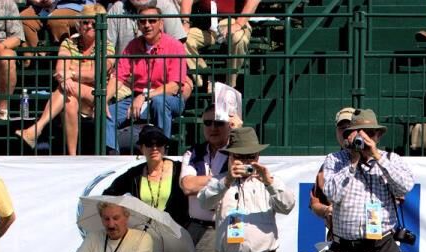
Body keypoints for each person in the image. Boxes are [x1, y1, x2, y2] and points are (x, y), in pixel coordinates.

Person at [321, 109, 416, 252]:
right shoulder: (335, 160)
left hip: (382, 245)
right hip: (345, 247)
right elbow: (331, 193)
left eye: (369, 133)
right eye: (357, 133)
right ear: (348, 136)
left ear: (378, 136)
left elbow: (405, 186)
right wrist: (353, 163)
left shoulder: (391, 159)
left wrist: (375, 155)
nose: (363, 138)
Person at [16, 3, 114, 155]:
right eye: (85, 22)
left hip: (97, 96)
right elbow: (60, 70)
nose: (88, 26)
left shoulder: (107, 46)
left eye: (93, 24)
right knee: (69, 102)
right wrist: (66, 77)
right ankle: (72, 155)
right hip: (73, 94)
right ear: (79, 24)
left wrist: (70, 74)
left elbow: (95, 74)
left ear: (101, 26)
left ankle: (37, 128)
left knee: (65, 90)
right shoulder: (69, 42)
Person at [106, 3, 189, 154]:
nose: (147, 25)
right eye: (143, 21)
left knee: (159, 102)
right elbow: (118, 77)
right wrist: (103, 100)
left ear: (161, 23)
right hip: (137, 97)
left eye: (152, 21)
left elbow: (174, 86)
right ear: (138, 25)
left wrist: (145, 96)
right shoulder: (133, 46)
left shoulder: (175, 46)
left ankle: (161, 153)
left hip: (169, 98)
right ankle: (112, 158)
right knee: (107, 114)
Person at [182, 106, 241, 252]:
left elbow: (241, 175)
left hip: (231, 225)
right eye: (208, 123)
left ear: (229, 125)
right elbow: (187, 185)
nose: (213, 127)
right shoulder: (194, 152)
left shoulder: (238, 152)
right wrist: (226, 178)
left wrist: (238, 132)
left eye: (219, 123)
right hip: (200, 228)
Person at [105, 124, 191, 230]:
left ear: (165, 147)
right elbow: (109, 194)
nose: (154, 148)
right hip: (146, 233)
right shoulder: (135, 174)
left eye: (159, 143)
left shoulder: (180, 170)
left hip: (176, 233)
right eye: (149, 144)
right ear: (141, 148)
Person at [180, 0, 259, 88]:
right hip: (205, 25)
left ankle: (230, 86)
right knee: (183, 38)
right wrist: (185, 23)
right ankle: (206, 79)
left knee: (239, 38)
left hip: (232, 21)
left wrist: (238, 24)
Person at [310, 106, 354, 240]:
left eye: (350, 127)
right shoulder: (330, 163)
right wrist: (326, 210)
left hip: (375, 239)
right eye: (342, 128)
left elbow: (398, 198)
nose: (346, 132)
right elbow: (315, 204)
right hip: (340, 238)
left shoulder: (377, 160)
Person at [20, 0, 87, 51]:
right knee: (23, 19)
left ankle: (62, 57)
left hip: (71, 4)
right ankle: (33, 59)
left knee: (57, 19)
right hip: (41, 7)